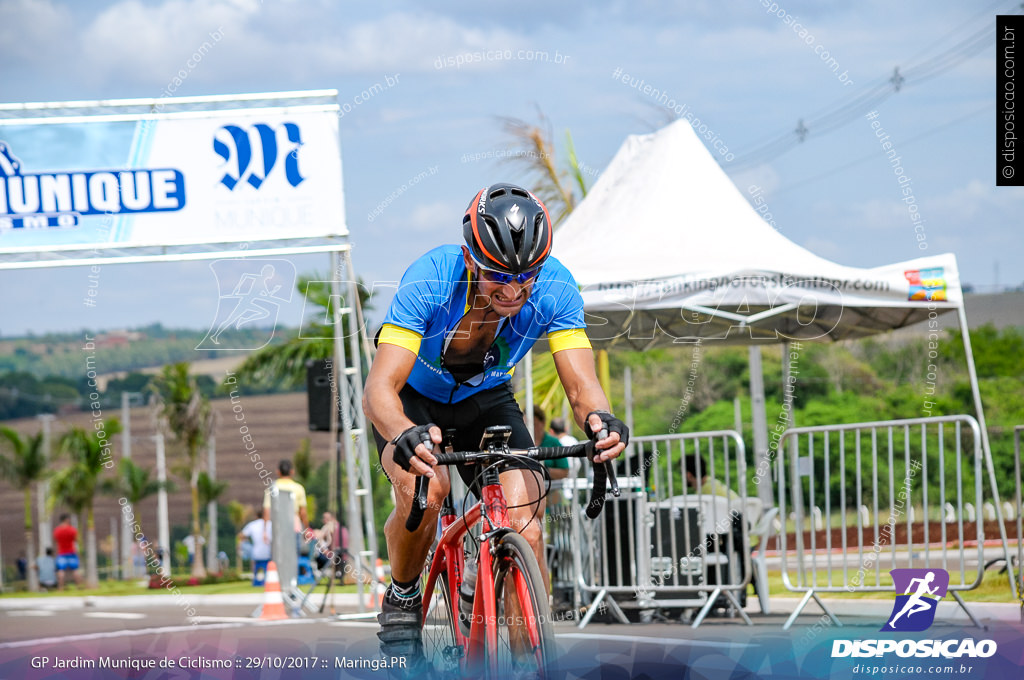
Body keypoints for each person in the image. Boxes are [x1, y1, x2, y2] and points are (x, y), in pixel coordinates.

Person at [362, 183, 628, 676]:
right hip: (412, 400)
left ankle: (531, 660)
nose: (512, 290)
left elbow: (581, 383)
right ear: (470, 258)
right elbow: (379, 388)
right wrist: (403, 430)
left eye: (527, 276)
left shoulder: (557, 288)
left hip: (486, 401)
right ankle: (402, 596)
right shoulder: (431, 279)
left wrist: (599, 420)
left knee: (525, 518)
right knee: (429, 488)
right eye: (497, 276)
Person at [263, 459, 309, 555]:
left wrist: (265, 531)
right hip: (294, 526)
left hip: (277, 526)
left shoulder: (272, 488)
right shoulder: (298, 488)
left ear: (278, 472)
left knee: (278, 556)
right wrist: (306, 530)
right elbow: (303, 513)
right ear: (292, 471)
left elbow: (267, 511)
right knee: (294, 555)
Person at [532, 404, 569, 480]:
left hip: (550, 488)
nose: (531, 427)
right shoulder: (520, 442)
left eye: (534, 424)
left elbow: (565, 471)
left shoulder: (553, 442)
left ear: (543, 423)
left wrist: (542, 470)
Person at [239, 513, 273, 586]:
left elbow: (241, 535)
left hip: (256, 554)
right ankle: (269, 580)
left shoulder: (252, 525)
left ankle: (255, 580)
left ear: (256, 516)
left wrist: (247, 541)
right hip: (269, 553)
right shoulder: (270, 523)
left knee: (254, 562)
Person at [53, 514, 82, 589]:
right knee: (75, 570)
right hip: (72, 552)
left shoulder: (57, 530)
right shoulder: (72, 529)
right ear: (67, 520)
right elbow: (76, 540)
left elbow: (55, 540)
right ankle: (78, 586)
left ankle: (60, 587)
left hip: (62, 553)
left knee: (61, 571)